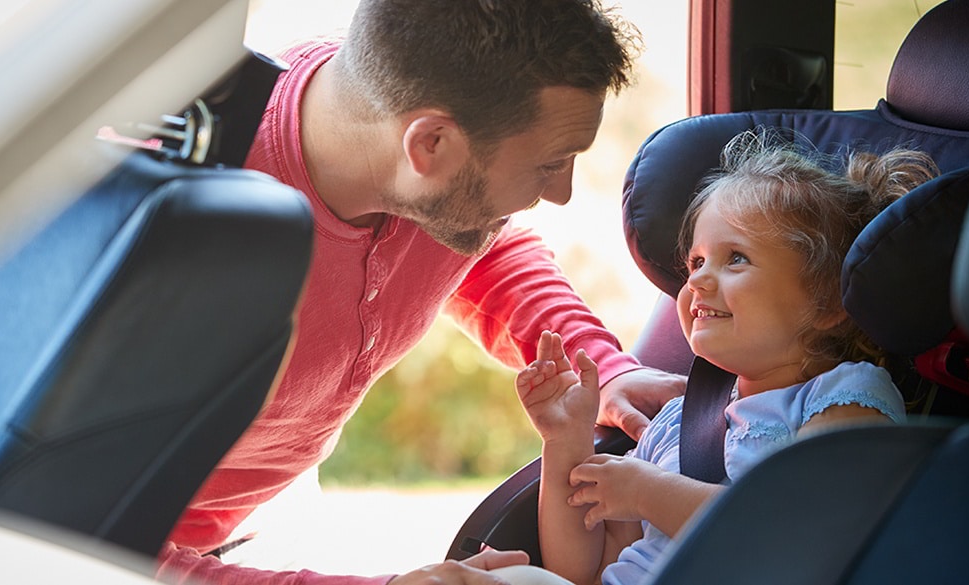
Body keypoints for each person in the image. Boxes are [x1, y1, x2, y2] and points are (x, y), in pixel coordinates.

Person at [155, 1, 687, 584]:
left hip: (272, 509)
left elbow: (486, 249)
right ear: (429, 144)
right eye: (550, 164)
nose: (560, 193)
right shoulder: (163, 230)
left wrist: (603, 367)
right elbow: (69, 540)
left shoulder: (419, 159)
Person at [511, 130, 938, 585]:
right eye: (696, 262)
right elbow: (580, 570)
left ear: (828, 301)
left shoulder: (846, 397)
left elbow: (793, 539)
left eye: (735, 258)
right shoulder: (674, 424)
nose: (697, 281)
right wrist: (564, 443)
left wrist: (649, 493)